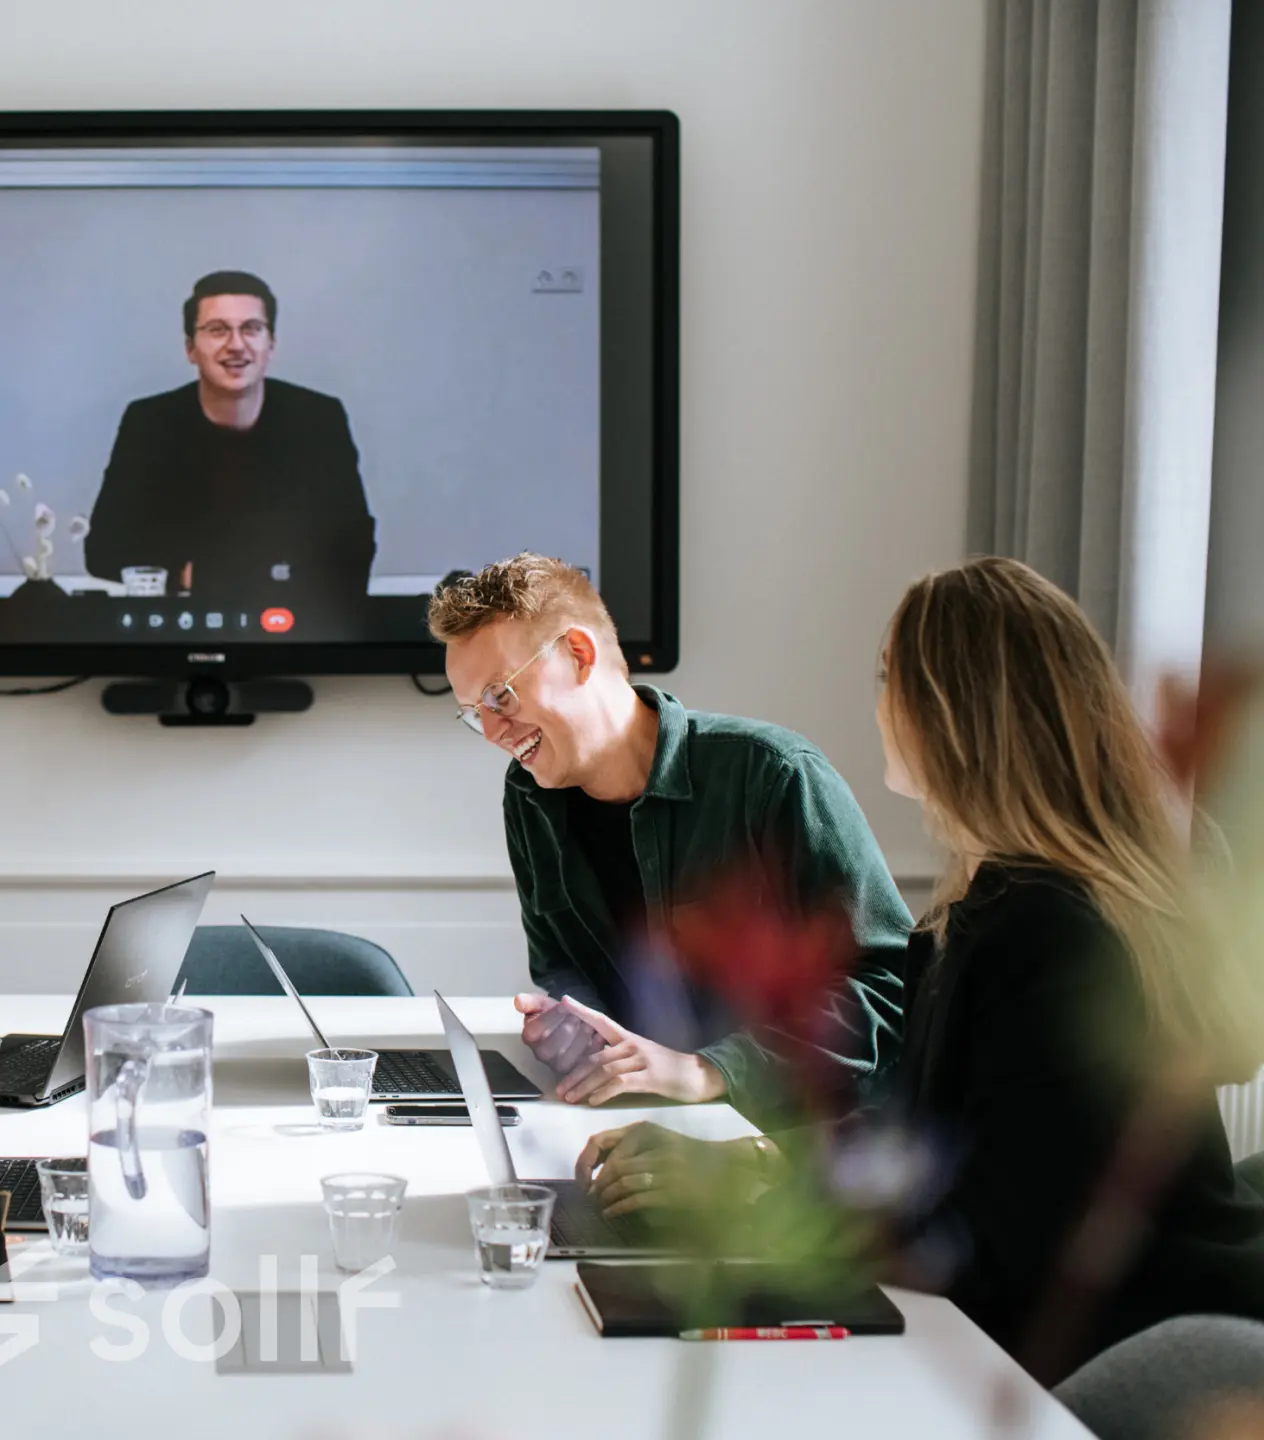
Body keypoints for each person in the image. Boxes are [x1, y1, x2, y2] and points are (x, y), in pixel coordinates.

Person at [577, 557, 1264, 1380]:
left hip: (1119, 1361)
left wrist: (752, 1230)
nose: (877, 707)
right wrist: (742, 1163)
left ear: (951, 713)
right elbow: (940, 1139)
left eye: (887, 678)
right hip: (1083, 1323)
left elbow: (985, 1234)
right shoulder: (1009, 906)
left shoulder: (1043, 933)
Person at [428, 554, 912, 1123]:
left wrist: (709, 1069)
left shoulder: (772, 774)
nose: (489, 732)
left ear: (578, 656)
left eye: (498, 696)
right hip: (657, 1126)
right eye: (471, 713)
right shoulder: (530, 797)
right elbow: (565, 974)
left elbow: (887, 987)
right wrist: (570, 1029)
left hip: (805, 1151)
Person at [84, 270, 376, 603]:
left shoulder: (319, 419)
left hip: (293, 623)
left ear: (271, 345)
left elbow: (353, 547)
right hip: (183, 622)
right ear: (190, 349)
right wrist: (197, 575)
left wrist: (225, 574)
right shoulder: (149, 422)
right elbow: (103, 550)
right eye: (217, 330)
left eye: (252, 329)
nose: (236, 345)